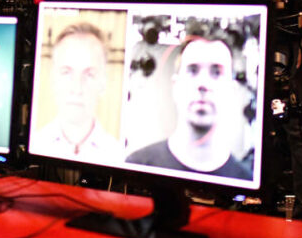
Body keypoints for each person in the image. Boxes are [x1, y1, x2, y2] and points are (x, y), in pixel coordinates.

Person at [127, 34, 252, 178]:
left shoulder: (244, 179)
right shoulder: (137, 167)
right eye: (192, 70)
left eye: (216, 72)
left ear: (231, 90)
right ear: (175, 86)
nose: (203, 84)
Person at [34, 23, 123, 160]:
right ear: (52, 78)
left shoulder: (118, 156)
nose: (77, 88)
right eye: (66, 72)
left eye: (89, 74)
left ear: (103, 82)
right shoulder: (36, 145)